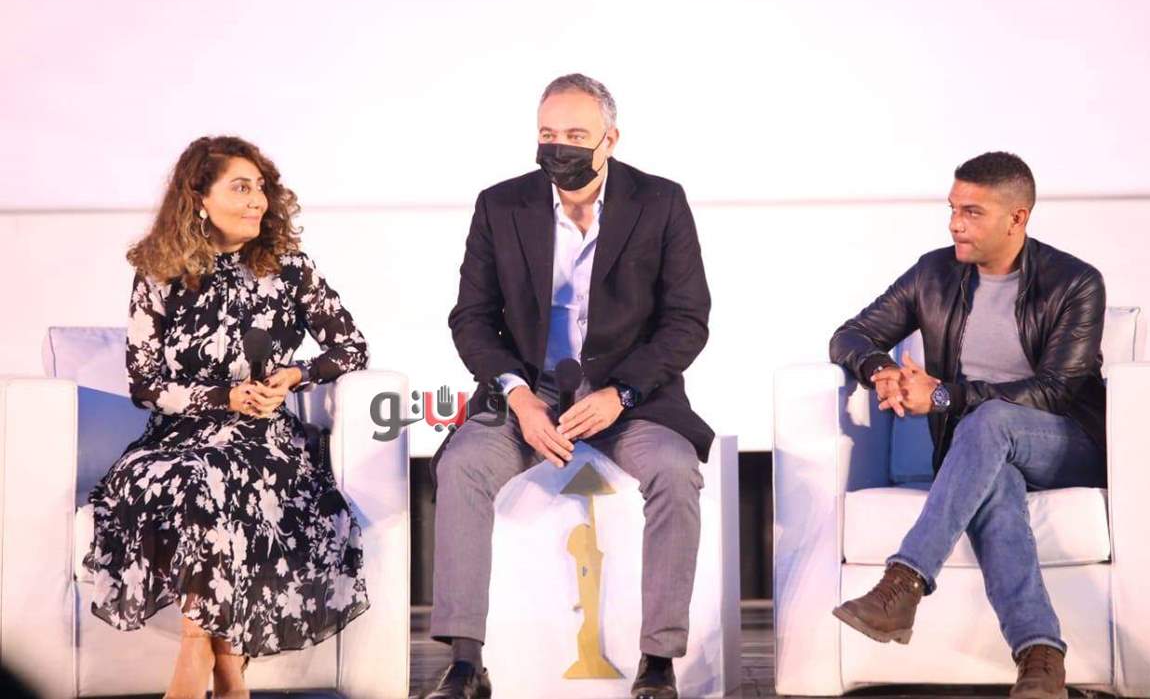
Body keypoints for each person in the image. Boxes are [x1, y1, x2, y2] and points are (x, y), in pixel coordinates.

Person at [425, 74, 714, 699]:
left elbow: (687, 320)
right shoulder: (501, 205)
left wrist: (622, 394)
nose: (559, 147)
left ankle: (658, 660)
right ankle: (466, 664)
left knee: (674, 471)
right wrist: (516, 394)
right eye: (547, 134)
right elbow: (471, 317)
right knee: (462, 465)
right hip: (531, 393)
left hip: (629, 398)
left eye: (576, 135)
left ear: (610, 139)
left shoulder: (659, 201)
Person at [85, 136, 370, 699]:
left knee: (214, 477)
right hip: (176, 439)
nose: (257, 200)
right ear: (199, 198)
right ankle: (229, 671)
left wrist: (294, 376)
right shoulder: (158, 273)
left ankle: (198, 653)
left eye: (261, 188)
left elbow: (351, 348)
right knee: (180, 476)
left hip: (264, 441)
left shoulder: (289, 268)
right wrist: (222, 398)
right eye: (241, 188)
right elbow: (146, 385)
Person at [829, 152, 1107, 699]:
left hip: (1064, 444)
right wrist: (882, 370)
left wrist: (943, 395)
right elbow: (850, 335)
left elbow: (1057, 390)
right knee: (994, 482)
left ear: (1017, 218)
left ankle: (905, 581)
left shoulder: (1075, 283)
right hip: (978, 452)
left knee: (991, 419)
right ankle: (1041, 660)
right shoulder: (933, 274)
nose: (955, 224)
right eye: (953, 209)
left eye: (973, 212)